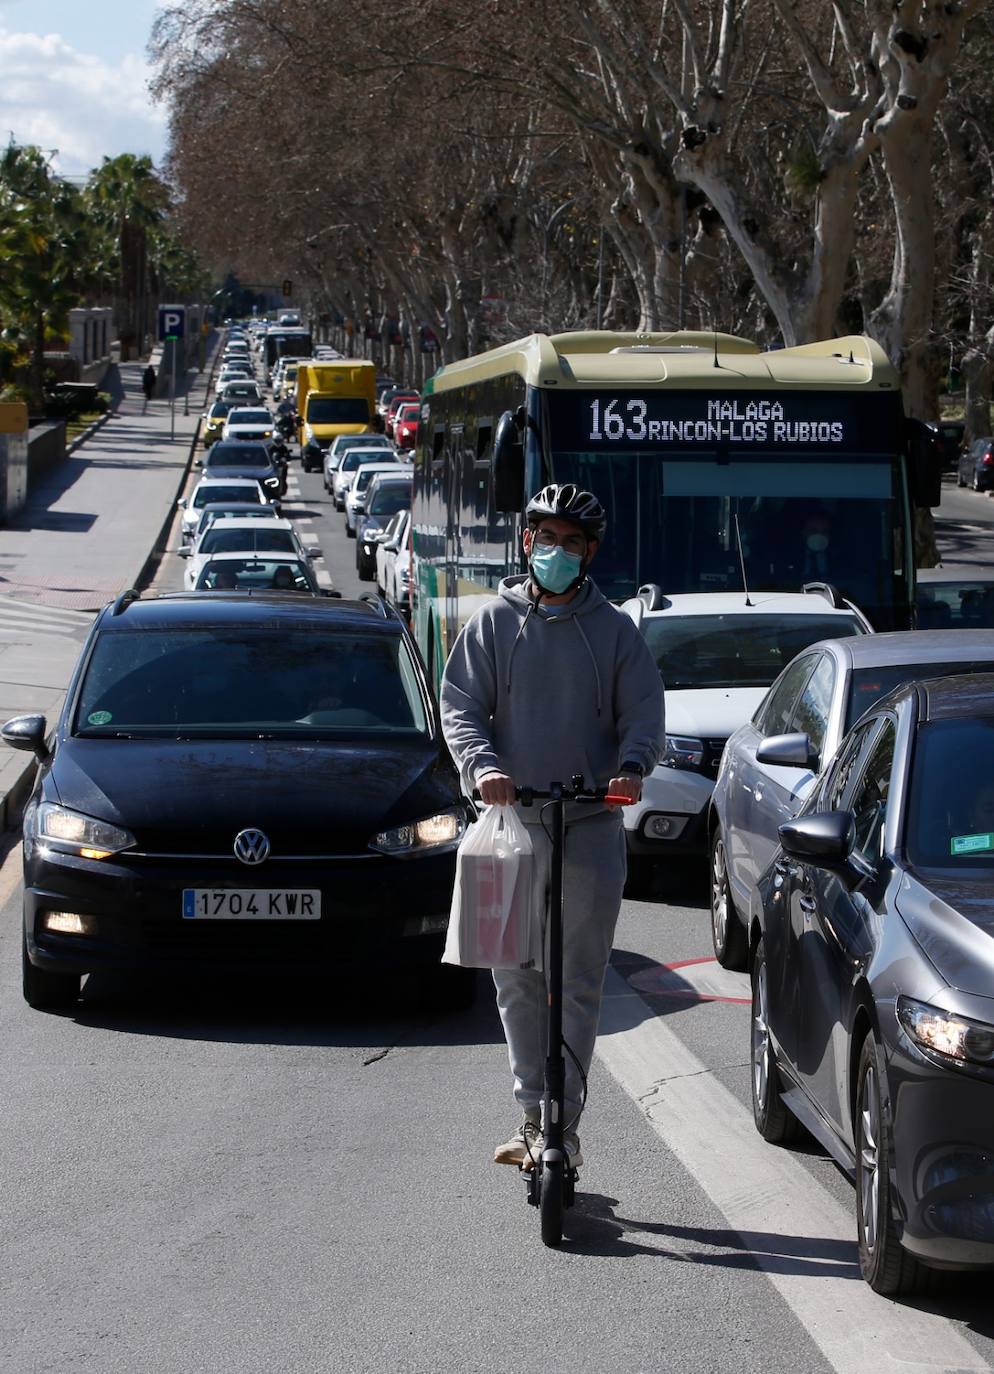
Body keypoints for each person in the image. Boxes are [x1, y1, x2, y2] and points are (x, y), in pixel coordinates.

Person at [440, 483, 665, 1169]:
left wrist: (632, 765)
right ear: (526, 541)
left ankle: (563, 1124)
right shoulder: (491, 624)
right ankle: (531, 1112)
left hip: (591, 824)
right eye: (546, 538)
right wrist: (482, 768)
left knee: (577, 979)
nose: (556, 552)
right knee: (511, 972)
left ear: (590, 552)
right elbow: (460, 706)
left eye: (571, 542)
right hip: (508, 822)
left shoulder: (616, 632)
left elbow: (645, 714)